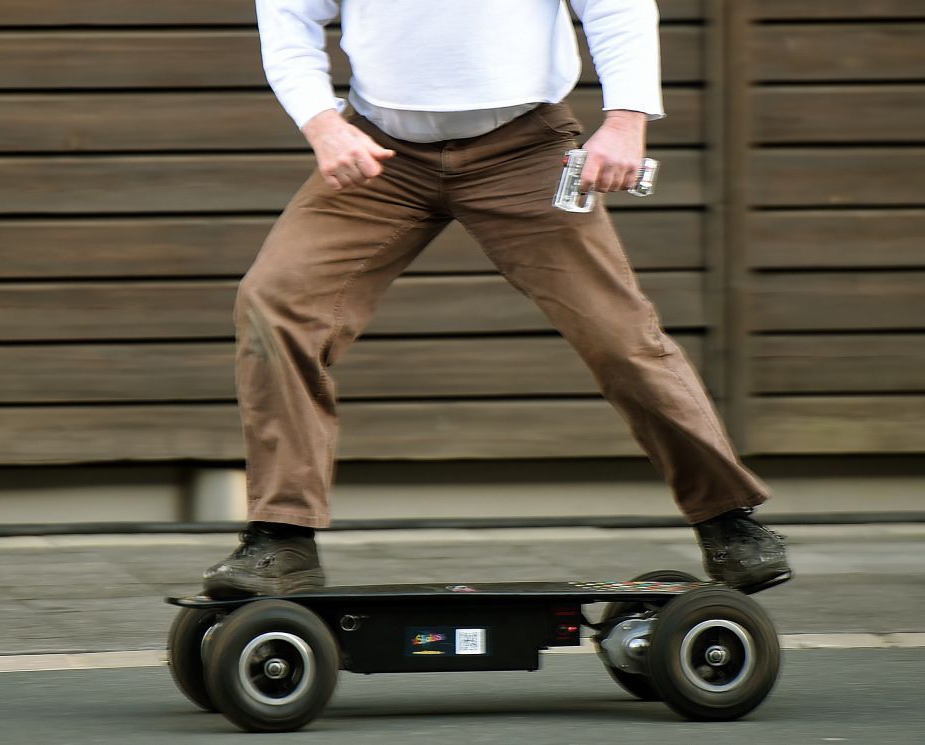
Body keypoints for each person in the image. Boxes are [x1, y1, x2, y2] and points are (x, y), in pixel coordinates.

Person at [203, 0, 791, 598]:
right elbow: (288, 20)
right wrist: (323, 123)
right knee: (275, 303)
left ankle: (727, 520)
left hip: (525, 150)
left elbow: (615, 5)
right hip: (381, 154)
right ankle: (281, 538)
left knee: (618, 335)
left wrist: (626, 118)